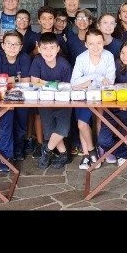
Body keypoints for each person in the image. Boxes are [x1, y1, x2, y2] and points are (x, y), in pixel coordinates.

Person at [70, 28, 116, 170]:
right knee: (82, 124)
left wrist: (88, 81)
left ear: (103, 43)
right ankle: (89, 152)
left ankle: (102, 149)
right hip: (84, 97)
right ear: (86, 44)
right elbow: (74, 82)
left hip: (102, 97)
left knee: (101, 120)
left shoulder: (108, 56)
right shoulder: (81, 58)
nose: (95, 47)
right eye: (91, 44)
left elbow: (111, 80)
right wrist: (95, 77)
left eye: (99, 43)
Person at [0, 31, 32, 172]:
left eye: (16, 44)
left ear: (21, 47)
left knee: (20, 124)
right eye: (9, 43)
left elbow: (26, 81)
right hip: (3, 97)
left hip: (21, 97)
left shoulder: (24, 57)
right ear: (3, 45)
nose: (12, 47)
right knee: (6, 124)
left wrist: (7, 79)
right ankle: (5, 157)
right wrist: (16, 78)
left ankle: (17, 150)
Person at [30, 32, 73, 170]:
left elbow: (67, 87)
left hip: (63, 103)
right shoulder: (37, 61)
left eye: (52, 47)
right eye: (45, 48)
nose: (48, 51)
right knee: (49, 130)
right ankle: (64, 155)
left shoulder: (64, 64)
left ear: (58, 48)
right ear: (39, 48)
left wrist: (44, 82)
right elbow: (34, 82)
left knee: (62, 129)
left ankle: (46, 152)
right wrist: (54, 84)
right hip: (45, 102)